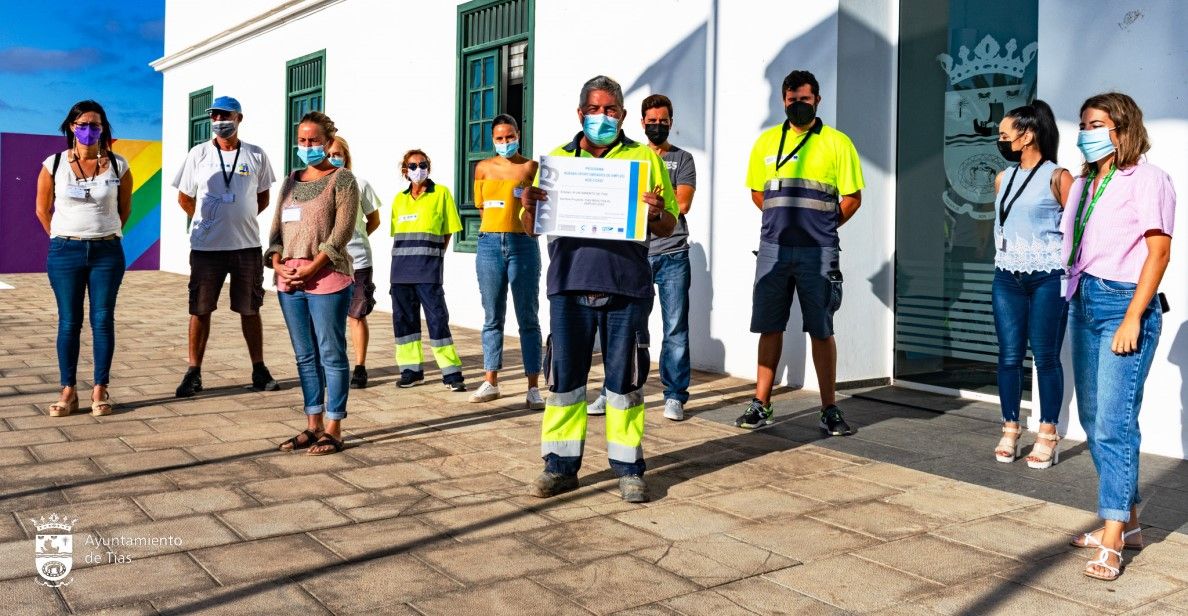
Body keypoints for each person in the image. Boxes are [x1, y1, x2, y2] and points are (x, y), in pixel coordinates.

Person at [520, 75, 678, 503]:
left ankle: (629, 468)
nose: (602, 117)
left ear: (624, 115)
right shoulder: (556, 161)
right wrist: (528, 207)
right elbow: (531, 227)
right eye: (595, 109)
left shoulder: (644, 159)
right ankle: (559, 466)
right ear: (580, 114)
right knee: (565, 381)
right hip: (569, 282)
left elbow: (669, 224)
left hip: (626, 283)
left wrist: (657, 211)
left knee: (624, 381)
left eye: (611, 110)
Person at [1063, 92, 1175, 581]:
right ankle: (1128, 521)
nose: (1086, 132)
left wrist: (1133, 316)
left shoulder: (1149, 180)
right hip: (1083, 299)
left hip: (1123, 305)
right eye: (1083, 123)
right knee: (1093, 418)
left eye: (1097, 124)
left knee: (1114, 423)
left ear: (1122, 129)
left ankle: (1112, 538)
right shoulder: (1087, 182)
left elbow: (1158, 253)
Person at [737, 70, 864, 435]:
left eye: (805, 100)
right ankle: (761, 404)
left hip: (818, 252)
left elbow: (853, 198)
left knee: (821, 329)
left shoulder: (838, 143)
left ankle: (829, 408)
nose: (798, 106)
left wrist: (820, 227)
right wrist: (784, 223)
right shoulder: (765, 142)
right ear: (784, 101)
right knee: (769, 326)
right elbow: (757, 193)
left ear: (817, 101)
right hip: (773, 250)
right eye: (792, 100)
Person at [172, 95, 280, 397]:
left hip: (246, 246)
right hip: (206, 249)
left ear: (239, 118)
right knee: (200, 309)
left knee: (250, 309)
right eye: (215, 116)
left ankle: (259, 369)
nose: (219, 120)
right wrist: (209, 220)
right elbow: (184, 196)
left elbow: (263, 197)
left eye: (226, 115)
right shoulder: (199, 154)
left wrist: (238, 218)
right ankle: (193, 372)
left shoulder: (256, 155)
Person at [267, 111, 359, 456]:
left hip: (327, 277)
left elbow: (342, 232)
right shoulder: (291, 180)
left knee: (331, 352)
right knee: (305, 356)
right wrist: (277, 262)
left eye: (314, 141)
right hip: (289, 280)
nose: (308, 146)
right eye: (303, 141)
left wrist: (314, 266)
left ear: (327, 140)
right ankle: (312, 424)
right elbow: (276, 230)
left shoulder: (342, 179)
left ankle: (334, 428)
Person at [34, 100, 132, 417]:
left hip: (106, 252)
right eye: (83, 123)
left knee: (102, 321)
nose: (89, 129)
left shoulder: (119, 165)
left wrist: (103, 231)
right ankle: (68, 390)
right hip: (65, 251)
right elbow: (41, 208)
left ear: (103, 129)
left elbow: (124, 210)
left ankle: (100, 388)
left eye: (95, 124)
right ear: (71, 127)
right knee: (69, 322)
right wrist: (60, 235)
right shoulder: (54, 164)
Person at [990, 101, 1073, 469]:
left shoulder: (1059, 177)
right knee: (1008, 356)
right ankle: (1010, 428)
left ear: (1027, 135)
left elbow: (1076, 233)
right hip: (1007, 275)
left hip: (1047, 276)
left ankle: (1047, 435)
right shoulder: (1002, 178)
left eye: (1006, 133)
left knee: (1045, 357)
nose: (1001, 138)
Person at [469, 114, 545, 409]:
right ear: (492, 140)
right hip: (489, 243)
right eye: (499, 138)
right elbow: (481, 208)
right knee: (492, 315)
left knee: (528, 316)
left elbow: (538, 209)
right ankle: (491, 381)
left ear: (518, 135)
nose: (505, 142)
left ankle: (533, 386)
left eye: (509, 136)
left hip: (523, 244)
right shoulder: (483, 168)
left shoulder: (531, 167)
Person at [389, 150, 467, 392]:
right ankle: (411, 371)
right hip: (400, 272)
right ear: (405, 170)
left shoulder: (441, 193)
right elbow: (398, 237)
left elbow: (449, 231)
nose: (418, 169)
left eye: (422, 164)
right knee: (404, 323)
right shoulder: (399, 199)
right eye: (412, 165)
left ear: (429, 167)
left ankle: (451, 374)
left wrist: (435, 257)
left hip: (428, 271)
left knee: (437, 320)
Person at [325, 136, 382, 389]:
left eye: (338, 154)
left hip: (358, 261)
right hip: (327, 262)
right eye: (329, 154)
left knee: (357, 315)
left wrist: (355, 239)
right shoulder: (318, 185)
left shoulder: (361, 184)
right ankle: (333, 366)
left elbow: (374, 220)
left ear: (346, 156)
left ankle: (359, 367)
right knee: (329, 318)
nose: (333, 158)